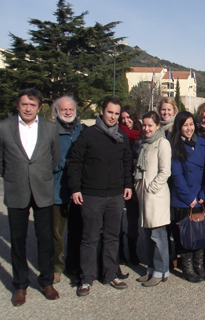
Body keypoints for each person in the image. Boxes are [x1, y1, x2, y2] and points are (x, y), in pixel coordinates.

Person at [0, 88, 60, 306]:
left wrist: (38, 175)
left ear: (39, 107)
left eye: (32, 105)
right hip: (17, 190)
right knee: (17, 241)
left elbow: (54, 158)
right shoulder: (3, 128)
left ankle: (46, 281)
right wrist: (15, 176)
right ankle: (20, 285)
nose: (28, 108)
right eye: (24, 104)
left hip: (42, 190)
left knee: (45, 240)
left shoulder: (50, 128)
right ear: (17, 105)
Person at [68, 97, 132, 296]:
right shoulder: (87, 135)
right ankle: (86, 279)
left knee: (112, 237)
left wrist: (128, 185)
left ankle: (110, 273)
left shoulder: (121, 136)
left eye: (116, 113)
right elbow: (75, 162)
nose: (113, 117)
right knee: (89, 238)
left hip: (115, 196)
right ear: (102, 111)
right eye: (109, 112)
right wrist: (75, 188)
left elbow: (127, 163)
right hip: (91, 196)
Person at [169, 111, 205, 283]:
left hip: (199, 197)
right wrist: (189, 197)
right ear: (179, 127)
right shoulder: (175, 145)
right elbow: (177, 175)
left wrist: (203, 194)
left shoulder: (203, 143)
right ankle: (187, 269)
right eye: (185, 125)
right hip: (183, 198)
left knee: (199, 234)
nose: (189, 128)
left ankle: (199, 266)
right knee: (186, 236)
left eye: (191, 124)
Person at [134, 111, 172, 287]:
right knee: (148, 235)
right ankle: (151, 269)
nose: (146, 128)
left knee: (158, 235)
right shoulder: (145, 143)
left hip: (155, 196)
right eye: (144, 125)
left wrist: (152, 188)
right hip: (144, 195)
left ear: (158, 126)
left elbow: (165, 171)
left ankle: (161, 270)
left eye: (150, 125)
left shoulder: (162, 143)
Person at [52, 95, 84, 284]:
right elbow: (46, 160)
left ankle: (73, 264)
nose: (68, 112)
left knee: (77, 229)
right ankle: (56, 266)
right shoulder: (49, 131)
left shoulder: (81, 130)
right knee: (57, 232)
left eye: (71, 109)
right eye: (64, 109)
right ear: (57, 111)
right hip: (58, 189)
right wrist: (67, 163)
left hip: (78, 190)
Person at [118, 106, 142, 265]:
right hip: (124, 181)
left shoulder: (143, 133)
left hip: (140, 182)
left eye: (128, 117)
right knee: (128, 219)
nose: (126, 121)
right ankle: (127, 251)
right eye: (123, 118)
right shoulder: (118, 134)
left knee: (141, 218)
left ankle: (138, 249)